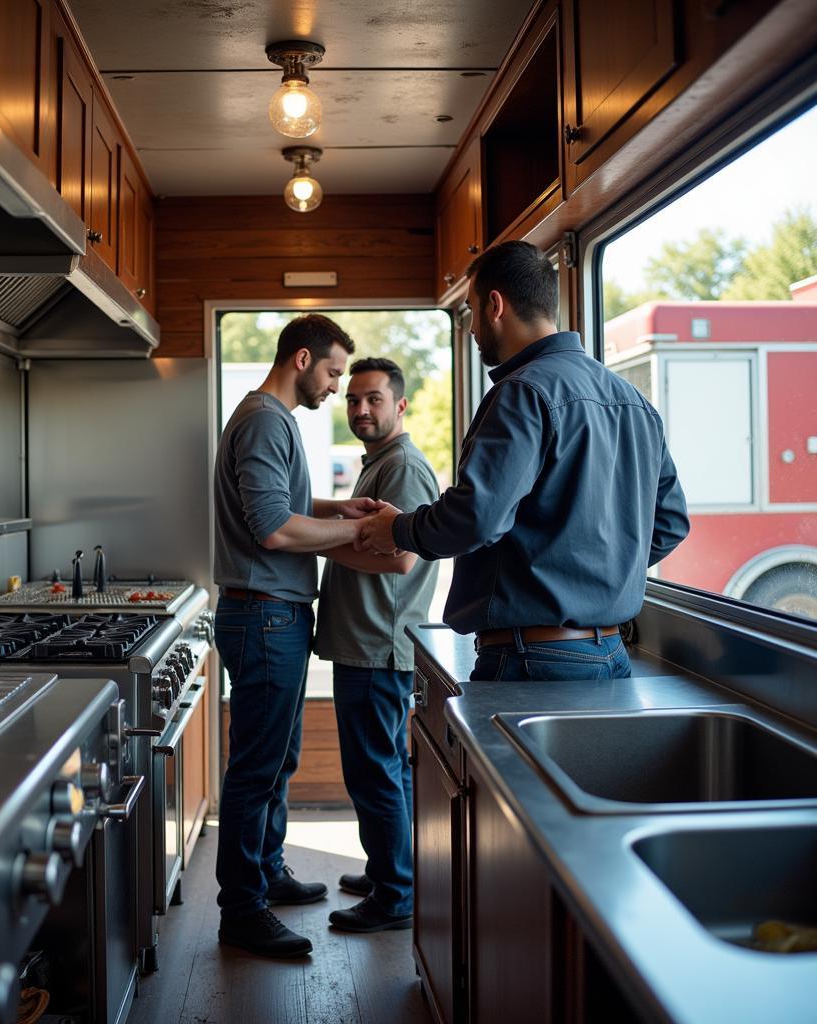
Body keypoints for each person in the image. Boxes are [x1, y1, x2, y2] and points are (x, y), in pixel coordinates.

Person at [360, 241, 690, 680]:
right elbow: (668, 523)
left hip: (533, 659)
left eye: (472, 312)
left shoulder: (521, 393)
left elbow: (476, 517)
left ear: (495, 305)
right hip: (611, 655)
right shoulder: (633, 401)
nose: (473, 329)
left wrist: (397, 529)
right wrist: (594, 573)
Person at [213, 313, 380, 959]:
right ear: (303, 359)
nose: (338, 388)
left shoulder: (270, 420)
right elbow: (273, 530)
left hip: (272, 615)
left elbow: (284, 508)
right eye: (336, 372)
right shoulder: (262, 419)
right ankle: (241, 911)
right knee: (256, 769)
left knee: (274, 759)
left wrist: (338, 510)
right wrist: (362, 533)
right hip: (262, 618)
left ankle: (267, 871)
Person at [313, 358, 439, 933]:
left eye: (374, 400)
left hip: (376, 648)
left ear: (400, 406)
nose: (361, 409)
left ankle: (395, 897)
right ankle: (395, 870)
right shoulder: (378, 465)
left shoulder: (404, 468)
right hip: (366, 645)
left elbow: (404, 556)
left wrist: (307, 545)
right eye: (354, 399)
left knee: (375, 774)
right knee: (387, 770)